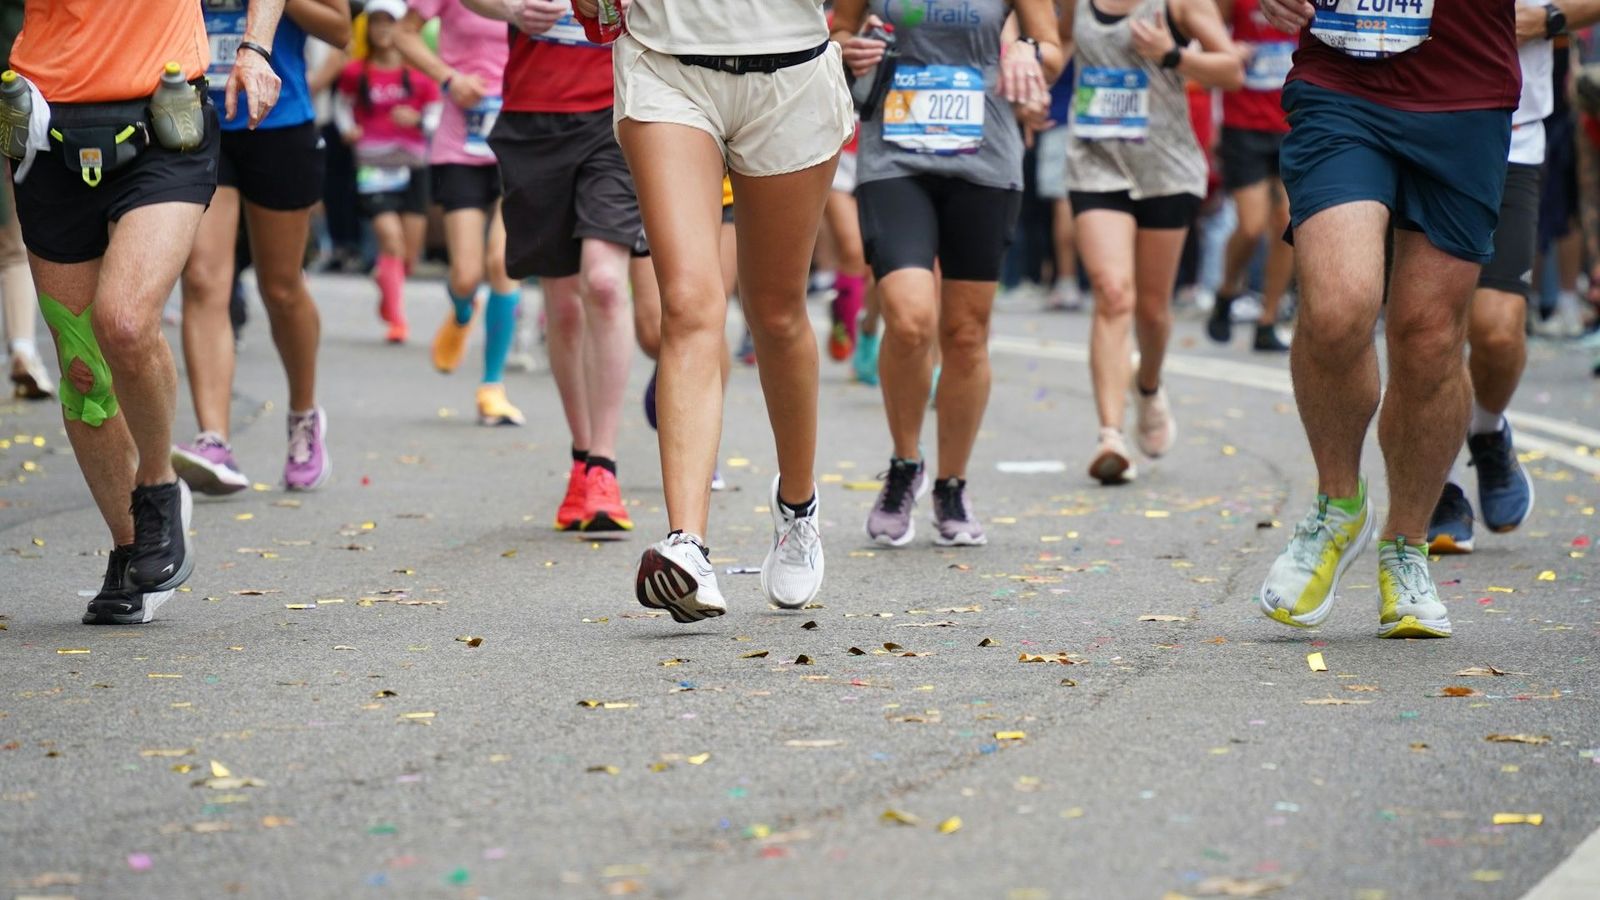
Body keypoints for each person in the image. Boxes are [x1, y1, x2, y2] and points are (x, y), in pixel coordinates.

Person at [574, 0, 851, 621]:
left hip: (791, 70)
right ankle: (688, 545)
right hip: (667, 64)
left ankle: (798, 508)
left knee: (776, 314)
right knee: (691, 303)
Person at [8, 0, 283, 623]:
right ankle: (130, 546)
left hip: (163, 121)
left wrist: (255, 48)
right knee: (82, 368)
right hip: (45, 130)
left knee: (126, 321)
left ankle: (157, 488)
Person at [1255, 0, 1519, 640]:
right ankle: (1338, 506)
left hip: (1465, 91)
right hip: (1342, 82)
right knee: (1339, 306)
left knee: (1428, 337)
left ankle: (1407, 544)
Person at [835, 1, 1064, 548]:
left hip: (985, 158)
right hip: (895, 156)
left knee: (964, 332)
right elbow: (838, 28)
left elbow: (1052, 48)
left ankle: (951, 485)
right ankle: (904, 463)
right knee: (911, 320)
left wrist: (1027, 53)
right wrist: (846, 46)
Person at [1426, 0, 1600, 554]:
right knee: (1428, 325)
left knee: (1497, 330)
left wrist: (1548, 17)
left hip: (1511, 134)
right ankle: (1437, 484)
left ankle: (1487, 430)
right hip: (1410, 128)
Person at [470, 0, 640, 534]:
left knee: (607, 285)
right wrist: (512, 9)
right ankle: (583, 457)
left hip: (618, 112)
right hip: (533, 118)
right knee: (564, 306)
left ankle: (605, 468)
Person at [172, 0, 349, 497]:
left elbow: (340, 31)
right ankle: (214, 439)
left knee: (282, 288)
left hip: (279, 120)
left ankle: (303, 417)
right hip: (196, 121)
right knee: (205, 279)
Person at [1063, 0, 1243, 485]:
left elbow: (1231, 70)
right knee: (1112, 292)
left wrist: (1171, 54)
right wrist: (1031, 76)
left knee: (1152, 310)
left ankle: (1147, 387)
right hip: (1096, 162)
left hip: (1165, 168)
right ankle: (1110, 436)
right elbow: (1055, 45)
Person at [395, 0, 526, 426]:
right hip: (460, 144)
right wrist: (449, 79)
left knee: (503, 262)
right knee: (466, 276)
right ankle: (463, 310)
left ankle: (491, 387)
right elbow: (403, 34)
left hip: (521, 137)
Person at [336, 0, 439, 344]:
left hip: (413, 165)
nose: (383, 30)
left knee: (407, 253)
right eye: (376, 23)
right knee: (390, 241)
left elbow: (437, 117)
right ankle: (398, 320)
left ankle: (387, 279)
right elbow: (342, 107)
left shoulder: (422, 77)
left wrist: (419, 120)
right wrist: (347, 128)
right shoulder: (355, 73)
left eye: (389, 22)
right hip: (372, 166)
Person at [1206, 0, 1294, 353]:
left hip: (1292, 123)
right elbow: (1204, 29)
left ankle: (1268, 320)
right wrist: (1226, 50)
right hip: (1243, 125)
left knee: (1288, 223)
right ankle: (1227, 290)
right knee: (1251, 225)